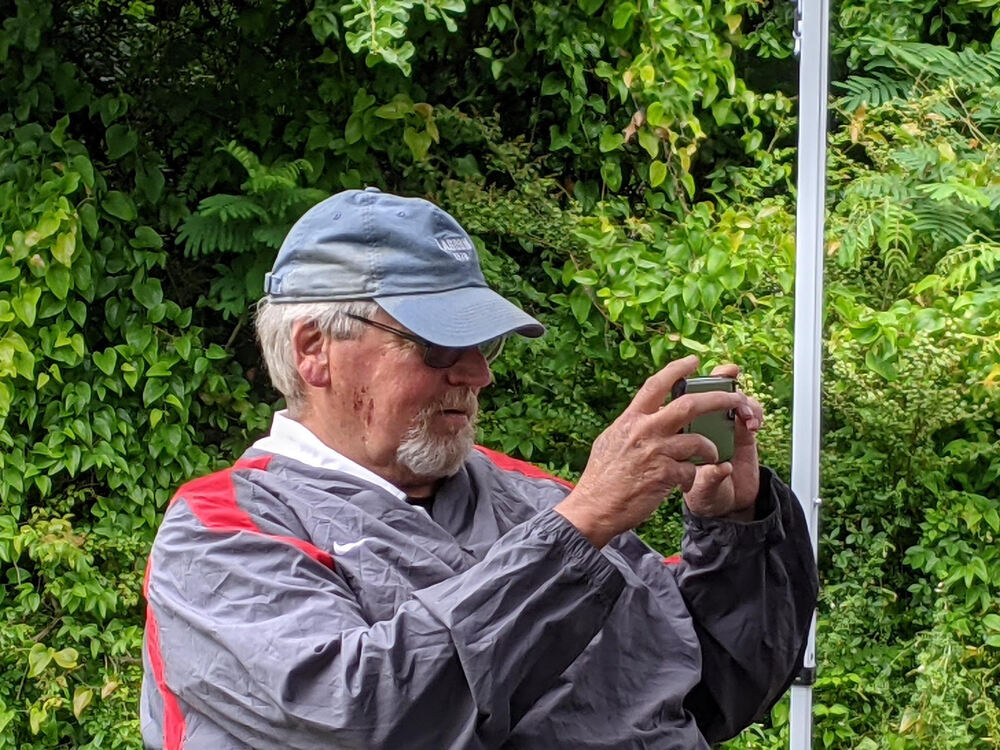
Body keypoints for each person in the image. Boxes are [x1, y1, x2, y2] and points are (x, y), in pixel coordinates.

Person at [141, 187, 817, 749]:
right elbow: (358, 718)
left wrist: (733, 527)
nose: (479, 373)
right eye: (438, 345)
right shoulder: (220, 530)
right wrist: (578, 529)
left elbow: (710, 685)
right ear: (316, 350)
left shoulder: (531, 497)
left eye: (482, 342)